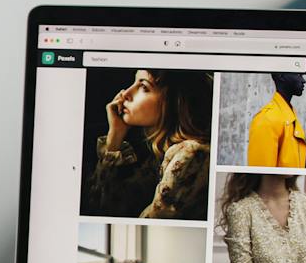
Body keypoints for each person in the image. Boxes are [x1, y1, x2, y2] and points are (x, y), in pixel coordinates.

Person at [85, 69, 212, 220]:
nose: (125, 93)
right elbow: (104, 209)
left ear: (173, 101)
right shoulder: (157, 154)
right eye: (134, 82)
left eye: (144, 87)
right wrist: (115, 137)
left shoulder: (191, 153)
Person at [246, 72, 306, 168]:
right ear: (281, 76)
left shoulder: (289, 116)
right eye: (298, 75)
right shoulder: (267, 119)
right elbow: (261, 176)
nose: (303, 81)